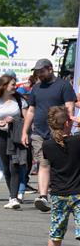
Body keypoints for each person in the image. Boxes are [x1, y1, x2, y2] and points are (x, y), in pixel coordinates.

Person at [22, 59, 76, 212]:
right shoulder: (37, 88)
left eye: (41, 71)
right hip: (39, 133)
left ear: (50, 69)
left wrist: (67, 130)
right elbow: (31, 110)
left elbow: (69, 108)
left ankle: (61, 194)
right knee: (43, 163)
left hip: (58, 131)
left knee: (59, 165)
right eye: (37, 72)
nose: (39, 74)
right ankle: (43, 196)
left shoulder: (63, 85)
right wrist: (24, 131)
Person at [39, 107, 80, 246]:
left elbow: (45, 168)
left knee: (56, 232)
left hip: (58, 193)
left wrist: (43, 193)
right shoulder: (77, 141)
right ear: (68, 123)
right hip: (78, 192)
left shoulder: (47, 145)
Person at [0, 75, 28, 209]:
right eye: (13, 85)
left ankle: (14, 197)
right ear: (4, 86)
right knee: (5, 166)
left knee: (14, 165)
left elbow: (27, 119)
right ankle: (12, 196)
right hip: (0, 136)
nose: (15, 87)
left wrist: (15, 121)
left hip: (15, 135)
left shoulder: (20, 100)